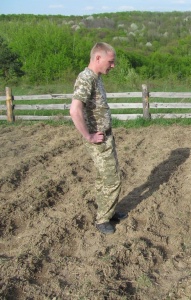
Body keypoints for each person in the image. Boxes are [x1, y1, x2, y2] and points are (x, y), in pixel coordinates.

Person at [70, 42, 126, 234]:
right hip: (98, 141)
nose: (113, 65)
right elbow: (74, 109)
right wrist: (88, 136)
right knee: (113, 180)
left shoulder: (96, 77)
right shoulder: (86, 79)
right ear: (98, 58)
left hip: (105, 138)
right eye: (110, 62)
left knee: (104, 178)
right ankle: (103, 219)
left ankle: (108, 211)